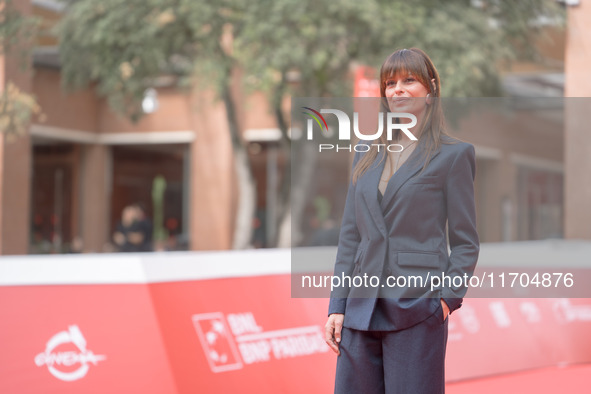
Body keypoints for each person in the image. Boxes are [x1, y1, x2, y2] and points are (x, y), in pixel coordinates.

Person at [324, 48, 480, 393]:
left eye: (409, 80)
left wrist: (445, 300)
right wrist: (338, 305)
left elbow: (466, 241)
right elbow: (350, 237)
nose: (398, 89)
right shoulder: (366, 152)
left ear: (431, 90)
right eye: (390, 83)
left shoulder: (453, 155)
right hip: (359, 310)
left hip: (417, 307)